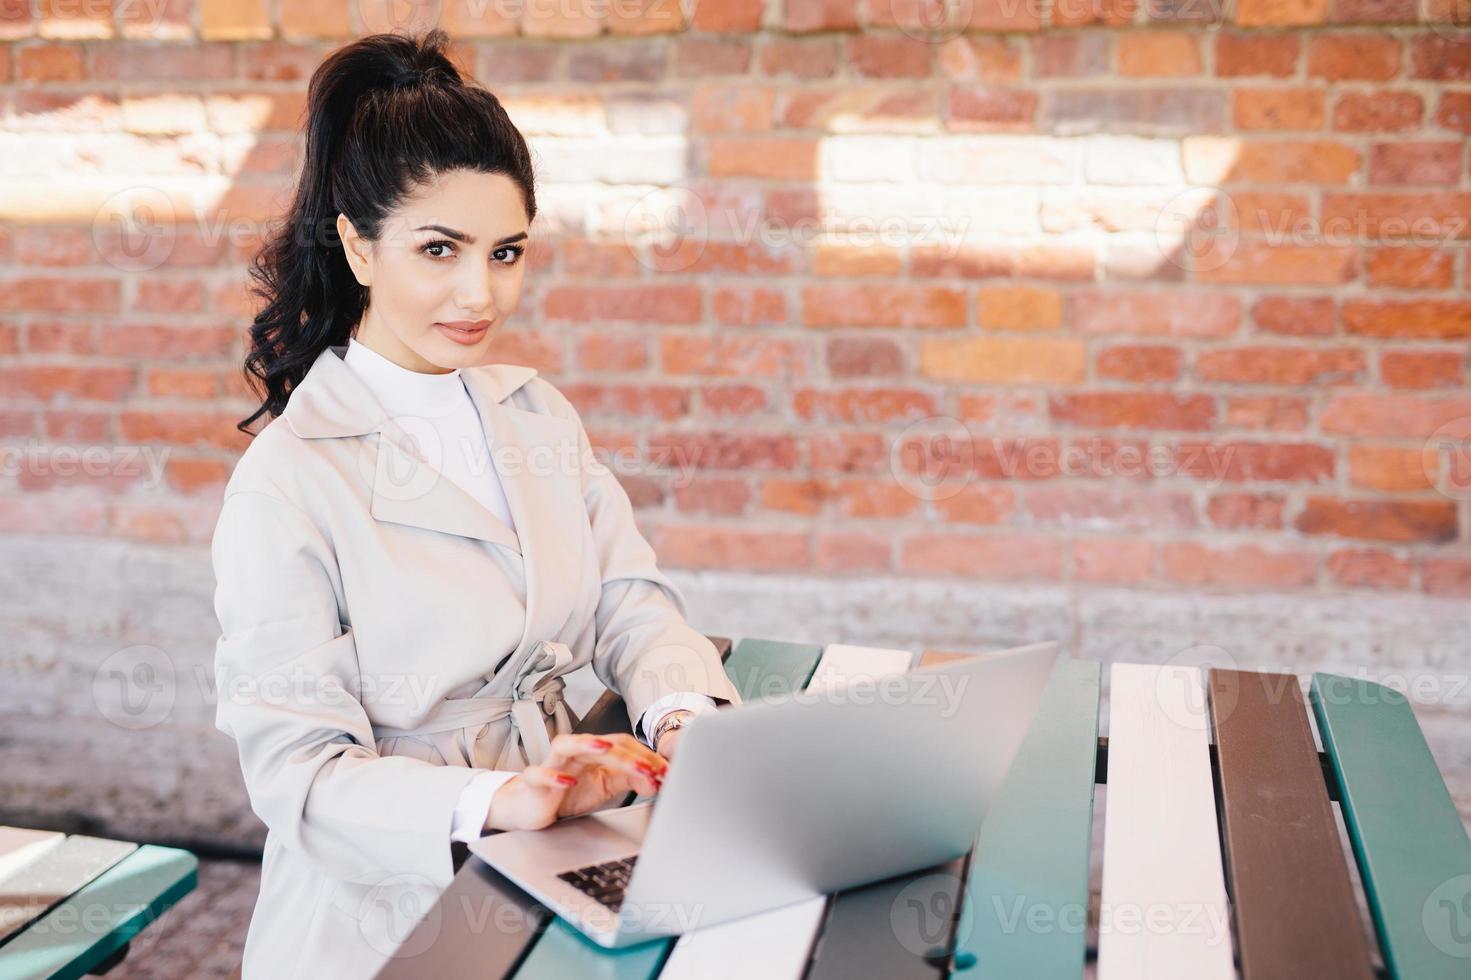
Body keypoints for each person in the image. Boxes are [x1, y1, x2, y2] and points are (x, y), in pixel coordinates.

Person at [210, 29, 741, 978]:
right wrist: (498, 801)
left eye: (506, 252)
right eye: (439, 249)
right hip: (383, 913)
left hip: (568, 847)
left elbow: (630, 599)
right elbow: (299, 777)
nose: (478, 293)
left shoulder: (534, 412)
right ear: (357, 247)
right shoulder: (290, 481)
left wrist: (680, 713)